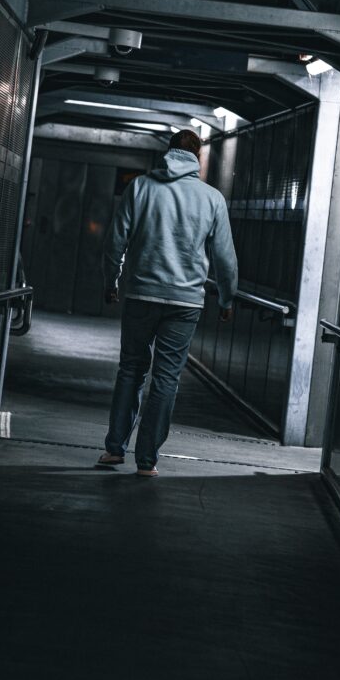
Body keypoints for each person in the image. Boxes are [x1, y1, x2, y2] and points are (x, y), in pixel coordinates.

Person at [99, 128, 238, 476]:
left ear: (168, 151)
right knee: (166, 378)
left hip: (141, 294)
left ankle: (115, 449)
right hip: (185, 302)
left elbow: (117, 239)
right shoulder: (211, 198)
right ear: (198, 157)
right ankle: (147, 460)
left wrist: (110, 280)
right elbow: (224, 256)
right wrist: (226, 297)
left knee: (131, 369)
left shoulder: (141, 187)